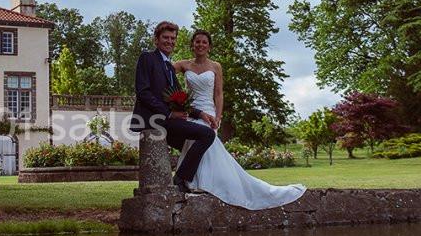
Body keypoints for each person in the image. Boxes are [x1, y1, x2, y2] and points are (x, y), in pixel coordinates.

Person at [172, 30, 306, 210]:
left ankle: (200, 181)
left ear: (209, 46)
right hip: (193, 111)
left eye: (204, 42)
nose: (200, 45)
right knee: (192, 143)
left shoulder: (215, 66)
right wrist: (178, 101)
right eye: (197, 42)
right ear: (192, 44)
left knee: (209, 147)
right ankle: (191, 181)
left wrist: (218, 116)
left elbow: (218, 94)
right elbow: (163, 73)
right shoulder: (183, 65)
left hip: (209, 112)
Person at [130, 21, 216, 193]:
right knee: (206, 134)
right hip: (154, 119)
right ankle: (182, 178)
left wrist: (200, 114)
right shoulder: (147, 58)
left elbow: (179, 97)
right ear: (156, 40)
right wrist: (169, 113)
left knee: (202, 135)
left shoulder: (168, 66)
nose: (170, 41)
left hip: (167, 119)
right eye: (165, 38)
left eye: (173, 38)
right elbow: (143, 92)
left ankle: (199, 183)